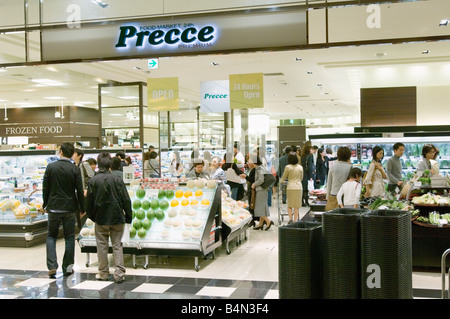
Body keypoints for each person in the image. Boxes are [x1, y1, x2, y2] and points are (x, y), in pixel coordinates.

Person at [85, 152, 132, 284]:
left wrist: (93, 217)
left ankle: (103, 273)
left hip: (101, 218)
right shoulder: (117, 180)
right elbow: (126, 200)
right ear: (110, 164)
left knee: (101, 246)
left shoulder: (92, 181)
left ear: (98, 165)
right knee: (117, 245)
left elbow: (88, 203)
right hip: (117, 217)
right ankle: (119, 274)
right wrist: (128, 217)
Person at [43, 142, 85, 278]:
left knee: (51, 236)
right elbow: (79, 190)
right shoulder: (74, 169)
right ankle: (67, 267)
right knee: (69, 237)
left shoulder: (51, 167)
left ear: (60, 152)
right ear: (72, 153)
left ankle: (52, 266)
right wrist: (82, 208)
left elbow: (45, 188)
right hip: (69, 208)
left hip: (53, 207)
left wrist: (45, 204)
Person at [251, 155, 274, 231]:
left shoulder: (259, 169)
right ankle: (260, 224)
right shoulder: (261, 167)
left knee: (258, 208)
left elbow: (261, 180)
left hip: (260, 190)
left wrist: (254, 184)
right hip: (263, 189)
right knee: (262, 207)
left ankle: (268, 221)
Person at [325, 146, 352, 211]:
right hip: (345, 196)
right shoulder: (350, 167)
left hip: (333, 194)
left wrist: (327, 197)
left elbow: (329, 183)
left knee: (334, 218)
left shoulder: (333, 167)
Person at [279, 154, 303, 223]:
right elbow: (301, 178)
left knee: (290, 204)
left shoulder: (288, 167)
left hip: (290, 187)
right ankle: (295, 221)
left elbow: (284, 177)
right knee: (297, 205)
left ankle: (290, 218)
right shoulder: (300, 167)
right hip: (298, 187)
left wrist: (281, 181)